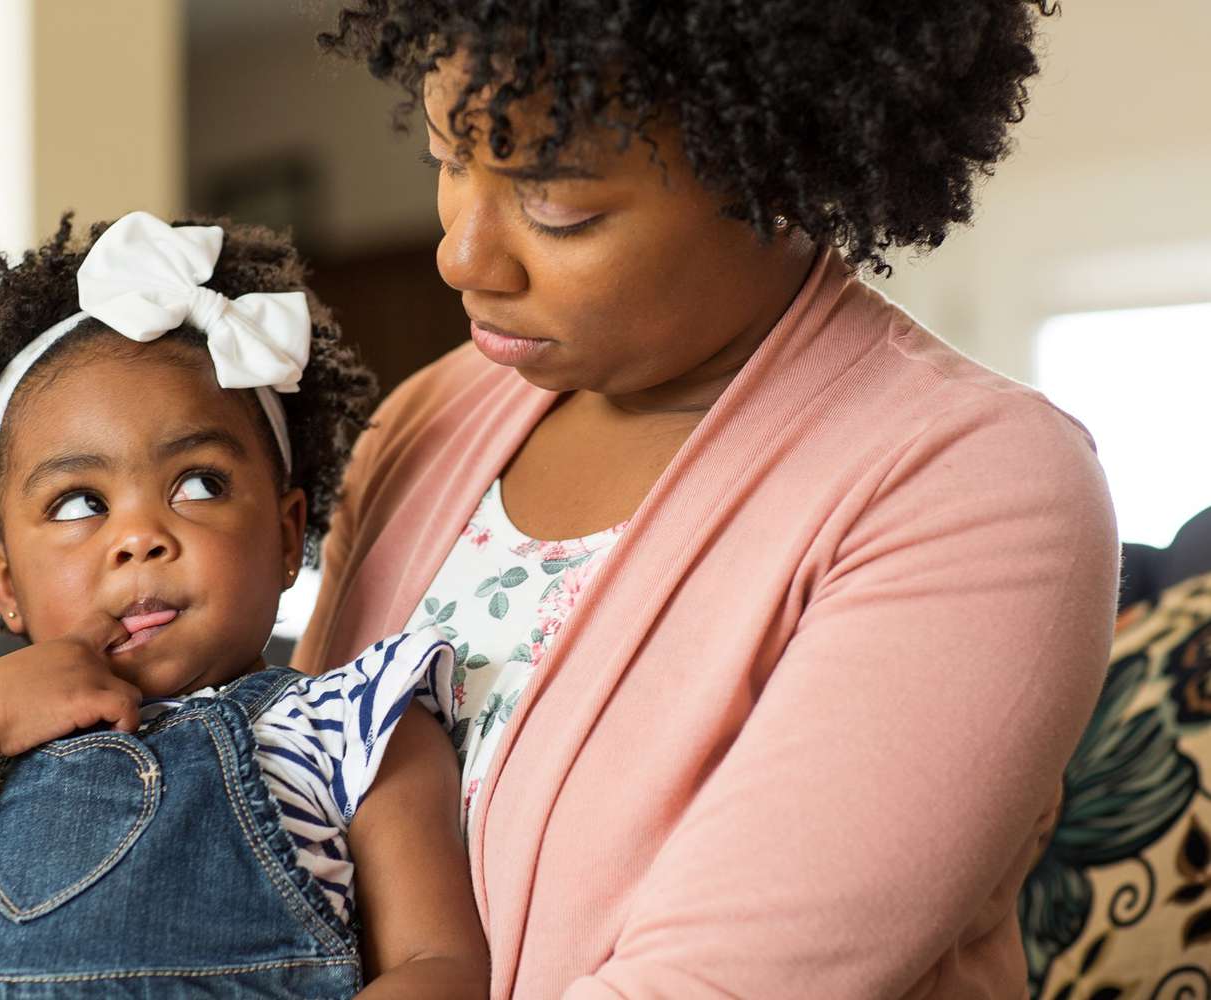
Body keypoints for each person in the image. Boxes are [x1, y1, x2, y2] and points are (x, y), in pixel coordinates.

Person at [293, 3, 1121, 998]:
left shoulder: (977, 488)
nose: (462, 257)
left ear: (774, 171)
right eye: (448, 159)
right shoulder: (423, 421)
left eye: (558, 208)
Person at [0, 211, 488, 998]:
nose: (139, 537)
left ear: (286, 536)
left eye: (199, 485)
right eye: (79, 502)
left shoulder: (351, 725)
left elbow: (438, 965)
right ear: (5, 582)